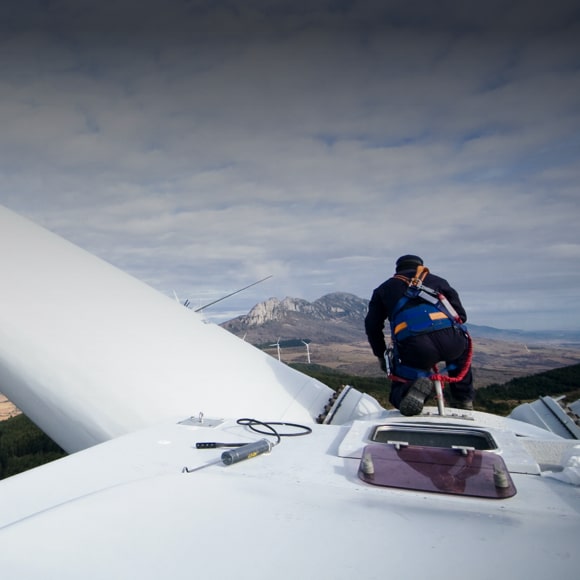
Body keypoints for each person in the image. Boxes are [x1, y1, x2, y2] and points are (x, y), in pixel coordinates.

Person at [365, 254, 474, 416]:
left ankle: (408, 392)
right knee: (459, 355)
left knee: (402, 376)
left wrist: (381, 356)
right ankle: (463, 400)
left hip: (416, 347)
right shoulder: (439, 282)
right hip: (452, 342)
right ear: (421, 267)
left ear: (397, 270)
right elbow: (461, 316)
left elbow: (372, 326)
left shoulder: (384, 289)